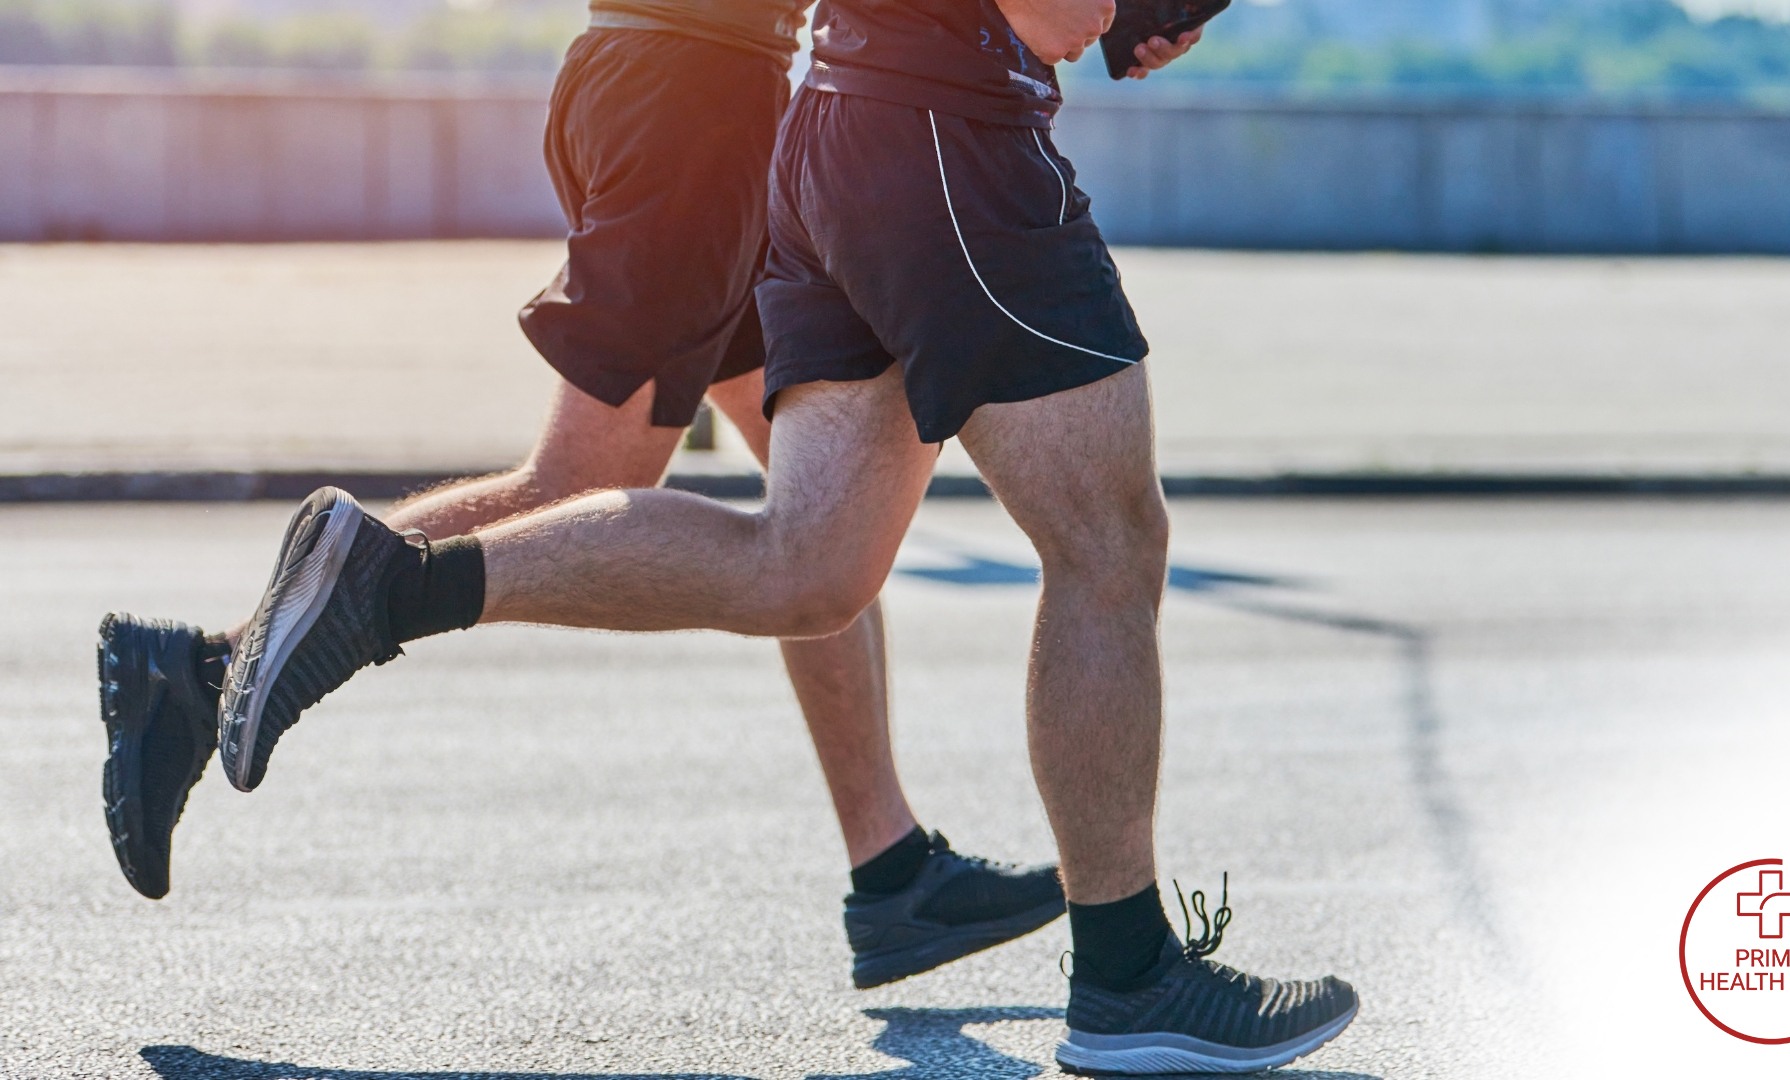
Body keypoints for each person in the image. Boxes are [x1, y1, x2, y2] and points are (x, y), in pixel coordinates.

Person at [204, 0, 1363, 1073]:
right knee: (1109, 545)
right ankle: (1128, 977)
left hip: (837, 125)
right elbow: (1059, 10)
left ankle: (390, 585)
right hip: (945, 140)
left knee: (808, 570)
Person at [94, 0, 1083, 994]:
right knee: (583, 485)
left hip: (657, 77)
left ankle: (892, 866)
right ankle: (203, 672)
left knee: (822, 507)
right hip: (697, 109)